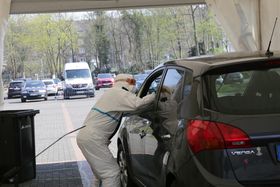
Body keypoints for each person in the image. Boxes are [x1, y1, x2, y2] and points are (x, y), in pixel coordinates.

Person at [76, 74, 155, 187]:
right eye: (133, 83)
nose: (135, 86)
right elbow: (137, 104)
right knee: (111, 174)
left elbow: (131, 110)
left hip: (87, 137)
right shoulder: (118, 93)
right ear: (129, 82)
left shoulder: (113, 93)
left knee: (101, 175)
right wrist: (155, 95)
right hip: (93, 139)